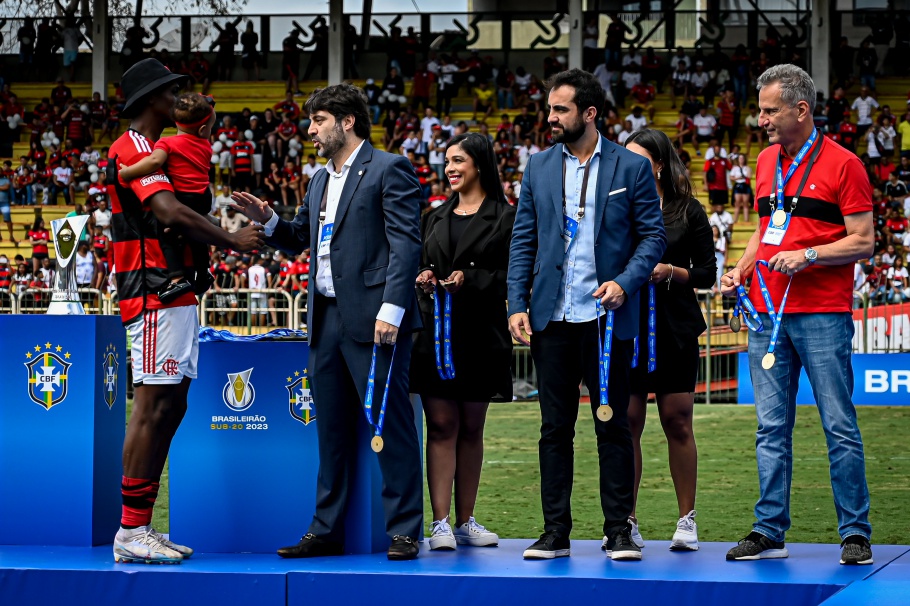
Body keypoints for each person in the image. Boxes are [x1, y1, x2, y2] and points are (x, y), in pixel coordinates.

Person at [230, 83, 425, 561]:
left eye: (317, 121)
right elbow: (300, 237)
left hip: (375, 318)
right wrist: (271, 221)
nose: (310, 130)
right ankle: (326, 529)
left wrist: (392, 310)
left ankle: (404, 531)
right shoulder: (319, 179)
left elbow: (405, 243)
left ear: (347, 121)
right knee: (331, 431)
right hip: (326, 318)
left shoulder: (389, 168)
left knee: (391, 422)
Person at [507, 68, 666, 562]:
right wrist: (517, 302)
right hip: (552, 317)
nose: (550, 117)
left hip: (607, 318)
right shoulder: (537, 167)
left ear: (589, 113)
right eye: (550, 108)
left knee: (612, 424)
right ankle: (555, 532)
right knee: (554, 428)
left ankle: (618, 530)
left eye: (561, 109)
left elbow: (652, 237)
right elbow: (523, 239)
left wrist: (625, 282)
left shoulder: (630, 167)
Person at [108, 58, 262, 565]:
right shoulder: (133, 147)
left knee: (172, 407)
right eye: (172, 90)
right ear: (151, 98)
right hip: (152, 291)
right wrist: (234, 241)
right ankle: (130, 532)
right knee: (152, 408)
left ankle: (141, 528)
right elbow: (170, 212)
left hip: (175, 293)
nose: (179, 96)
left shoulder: (162, 150)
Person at [720, 64, 874, 565]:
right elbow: (767, 231)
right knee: (770, 428)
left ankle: (855, 532)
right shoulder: (766, 162)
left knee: (838, 424)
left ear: (800, 110)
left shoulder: (845, 164)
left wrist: (810, 255)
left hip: (822, 314)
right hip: (767, 315)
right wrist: (740, 269)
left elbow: (865, 240)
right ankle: (769, 529)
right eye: (760, 110)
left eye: (769, 110)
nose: (760, 119)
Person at [411, 133, 516, 551]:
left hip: (481, 335)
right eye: (448, 161)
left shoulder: (506, 217)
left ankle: (466, 520)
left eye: (459, 160)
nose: (450, 168)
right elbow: (420, 262)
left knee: (472, 427)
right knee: (440, 425)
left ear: (479, 164)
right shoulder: (433, 217)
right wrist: (424, 277)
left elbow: (514, 272)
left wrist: (469, 280)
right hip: (436, 336)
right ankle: (439, 523)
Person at [622, 127, 716, 550]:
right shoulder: (615, 209)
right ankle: (626, 520)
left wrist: (671, 272)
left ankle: (686, 520)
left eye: (639, 158)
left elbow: (708, 274)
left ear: (659, 164)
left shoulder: (687, 211)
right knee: (628, 423)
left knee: (677, 421)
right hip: (628, 328)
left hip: (675, 329)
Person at [119, 92, 217, 304]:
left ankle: (176, 278)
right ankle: (204, 271)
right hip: (203, 199)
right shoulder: (206, 146)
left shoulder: (167, 143)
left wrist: (127, 173)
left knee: (166, 235)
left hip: (183, 198)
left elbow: (153, 162)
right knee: (197, 233)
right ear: (202, 130)